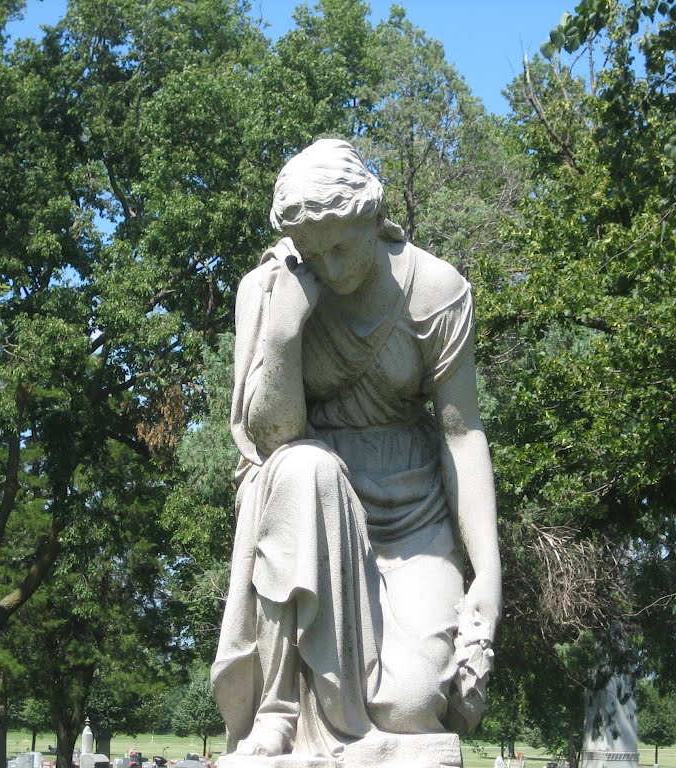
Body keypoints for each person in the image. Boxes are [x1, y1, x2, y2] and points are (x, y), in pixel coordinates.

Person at [211, 139, 502, 761]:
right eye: (314, 253)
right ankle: (279, 710)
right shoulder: (267, 291)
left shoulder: (435, 291)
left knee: (412, 705)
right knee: (303, 466)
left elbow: (462, 434)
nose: (332, 267)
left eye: (343, 245)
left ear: (373, 217)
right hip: (309, 511)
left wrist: (489, 575)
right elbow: (272, 438)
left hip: (410, 513)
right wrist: (285, 331)